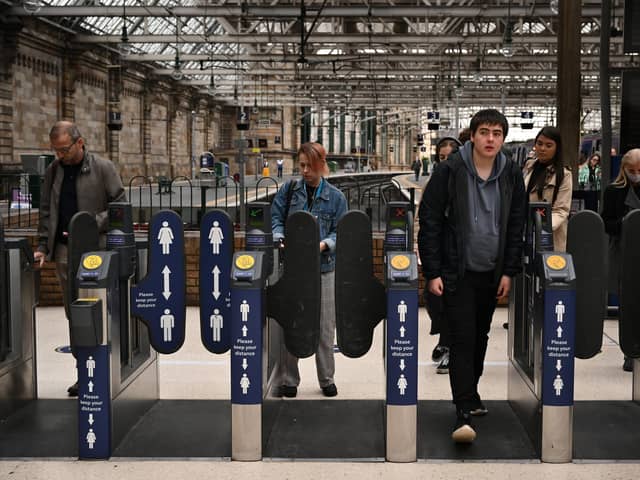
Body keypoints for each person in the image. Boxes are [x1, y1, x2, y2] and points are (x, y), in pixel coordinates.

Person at [418, 109, 526, 443]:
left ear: (503, 138)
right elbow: (430, 220)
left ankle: (472, 393)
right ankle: (463, 408)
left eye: (496, 133)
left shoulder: (510, 175)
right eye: (484, 132)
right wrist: (433, 271)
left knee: (480, 336)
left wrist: (509, 270)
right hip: (457, 270)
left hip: (491, 271)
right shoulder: (450, 170)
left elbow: (516, 225)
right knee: (462, 338)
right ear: (473, 135)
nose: (490, 139)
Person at [34, 121, 126, 397]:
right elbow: (46, 210)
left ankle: (106, 369)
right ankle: (83, 373)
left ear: (80, 143)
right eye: (55, 151)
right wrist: (41, 245)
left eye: (64, 150)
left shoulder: (103, 168)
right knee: (75, 315)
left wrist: (91, 224)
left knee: (98, 312)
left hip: (96, 251)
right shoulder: (53, 171)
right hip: (64, 251)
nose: (60, 156)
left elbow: (120, 205)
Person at [271, 142, 348, 398]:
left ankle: (326, 378)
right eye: (301, 165)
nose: (304, 171)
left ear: (321, 165)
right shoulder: (289, 190)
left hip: (324, 269)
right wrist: (281, 237)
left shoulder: (336, 197)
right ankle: (289, 380)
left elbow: (341, 231)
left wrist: (325, 244)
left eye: (309, 166)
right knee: (291, 324)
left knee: (325, 326)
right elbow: (275, 218)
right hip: (293, 270)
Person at [600, 148, 640, 372]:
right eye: (632, 170)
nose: (636, 174)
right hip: (625, 251)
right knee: (628, 302)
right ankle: (630, 350)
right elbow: (606, 221)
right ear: (624, 169)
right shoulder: (614, 191)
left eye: (639, 170)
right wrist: (626, 224)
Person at [427, 136, 463, 374]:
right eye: (441, 157)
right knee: (435, 300)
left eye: (449, 157)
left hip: (457, 253)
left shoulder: (465, 183)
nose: (445, 162)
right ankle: (443, 339)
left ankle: (450, 348)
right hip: (437, 250)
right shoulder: (436, 181)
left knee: (453, 303)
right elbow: (426, 218)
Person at [522, 126, 573, 251]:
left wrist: (539, 228)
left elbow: (561, 211)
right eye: (539, 144)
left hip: (550, 238)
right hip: (525, 235)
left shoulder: (564, 175)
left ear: (557, 148)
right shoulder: (529, 167)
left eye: (549, 145)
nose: (542, 148)